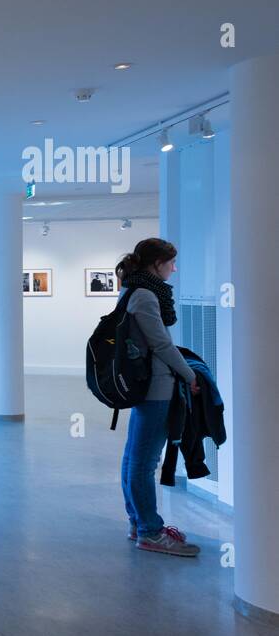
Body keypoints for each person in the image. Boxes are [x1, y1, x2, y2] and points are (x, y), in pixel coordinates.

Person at [116, 238, 201, 556]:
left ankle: (139, 522)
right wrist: (190, 374)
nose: (174, 268)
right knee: (143, 462)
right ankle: (150, 532)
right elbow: (162, 346)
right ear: (155, 264)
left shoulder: (131, 290)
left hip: (144, 386)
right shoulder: (146, 296)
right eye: (170, 263)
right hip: (155, 388)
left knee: (133, 459)